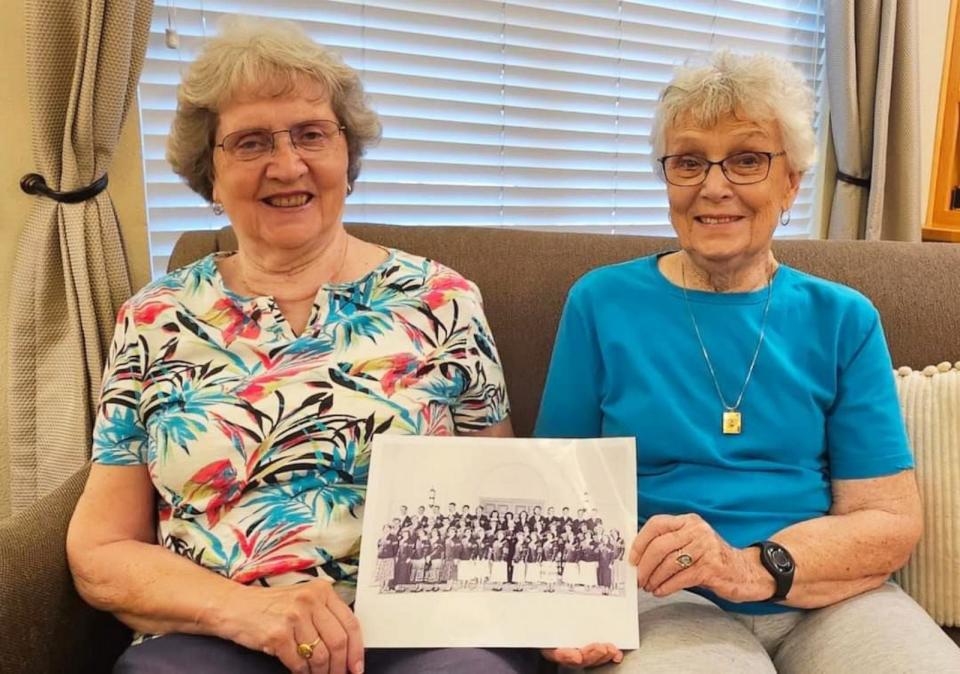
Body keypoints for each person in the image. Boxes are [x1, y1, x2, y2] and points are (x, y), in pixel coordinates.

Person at [65, 17, 539, 674]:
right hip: (216, 631)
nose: (288, 165)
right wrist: (243, 612)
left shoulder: (443, 300)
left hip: (424, 629)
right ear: (210, 169)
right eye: (251, 142)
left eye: (312, 134)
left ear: (347, 153)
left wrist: (566, 609)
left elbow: (504, 500)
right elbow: (101, 549)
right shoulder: (154, 318)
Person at [535, 50, 960, 672]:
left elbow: (887, 519)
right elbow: (554, 489)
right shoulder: (601, 303)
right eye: (687, 162)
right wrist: (558, 611)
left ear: (791, 181)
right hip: (665, 596)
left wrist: (752, 567)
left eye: (747, 159)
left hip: (828, 595)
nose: (714, 186)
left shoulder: (843, 318)